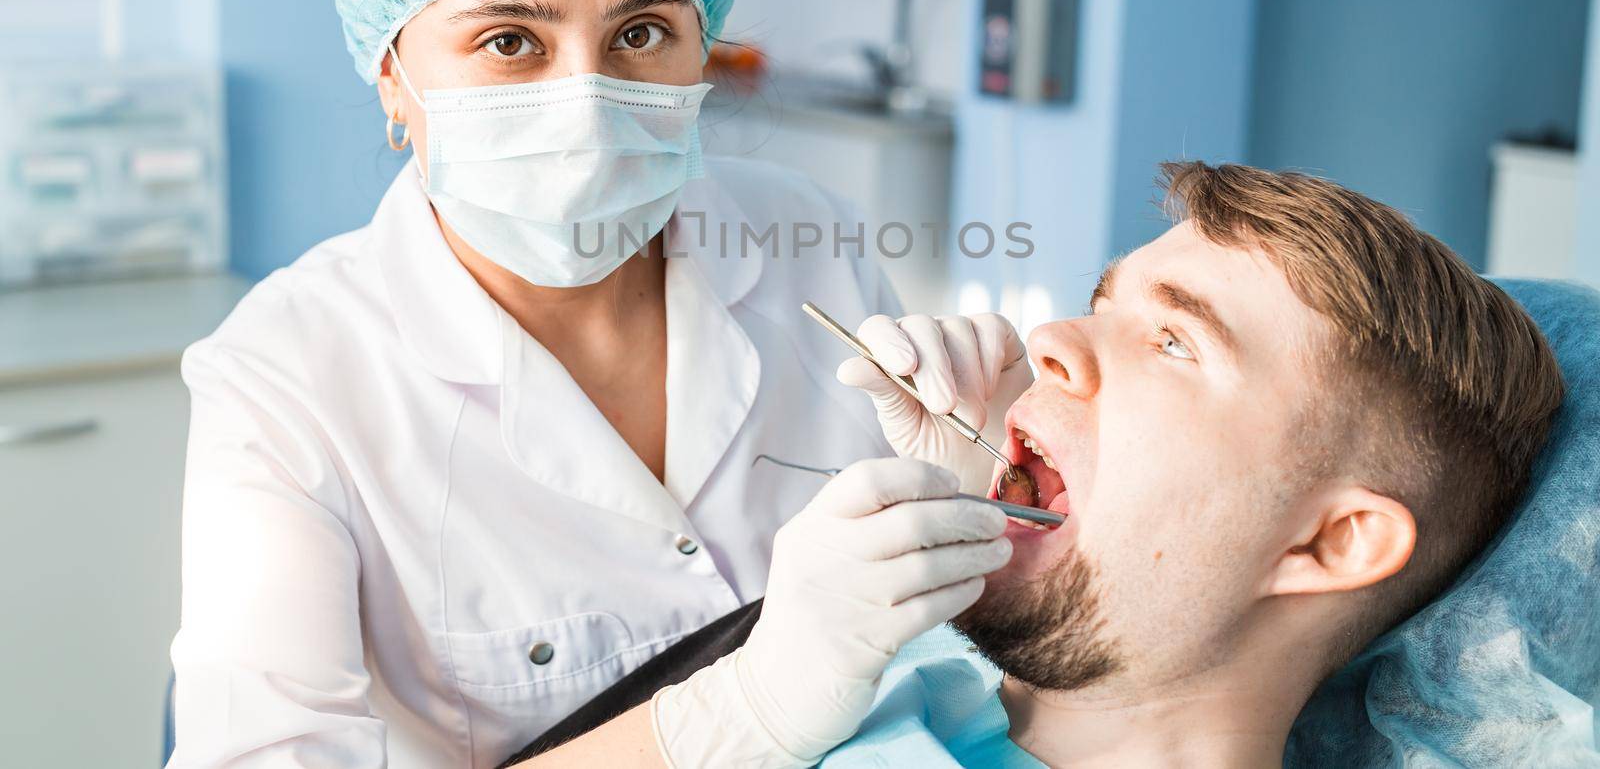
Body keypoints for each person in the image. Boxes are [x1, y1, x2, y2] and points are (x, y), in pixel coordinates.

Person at [166, 0, 1027, 767]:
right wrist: (753, 704)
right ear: (394, 75)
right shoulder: (286, 376)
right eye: (509, 42)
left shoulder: (820, 248)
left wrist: (968, 513)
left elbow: (949, 660)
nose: (583, 101)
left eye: (642, 32)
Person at [509, 161, 1565, 767]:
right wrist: (754, 697)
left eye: (1176, 341)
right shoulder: (907, 677)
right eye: (1102, 301)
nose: (1052, 337)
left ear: (1332, 538)